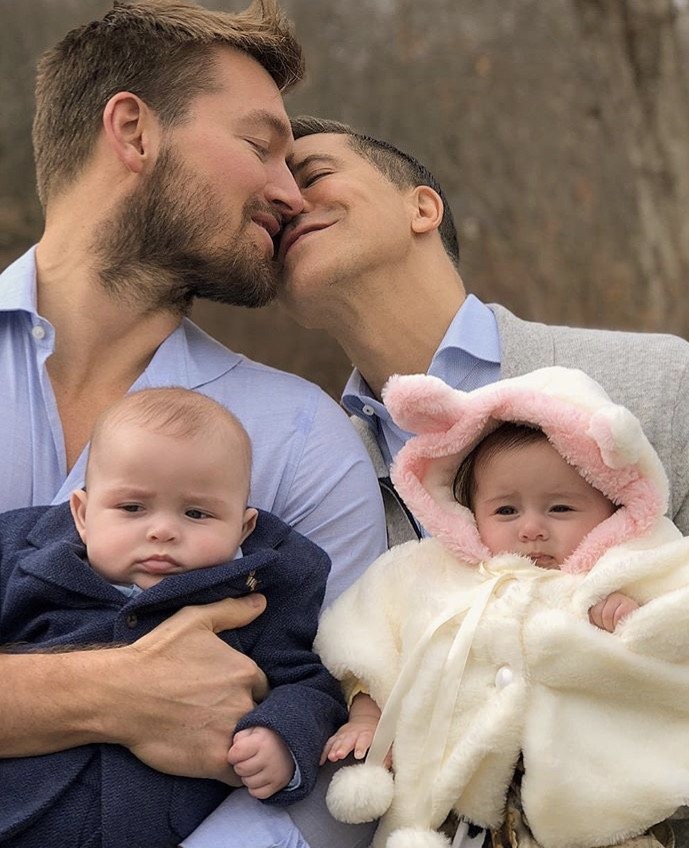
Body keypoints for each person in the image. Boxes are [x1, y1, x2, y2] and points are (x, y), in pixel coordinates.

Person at [270, 117, 689, 848]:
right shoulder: (303, 475)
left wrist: (541, 790)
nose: (284, 198)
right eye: (269, 195)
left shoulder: (663, 385)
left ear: (421, 207)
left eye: (310, 174)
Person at [0, 6, 384, 848]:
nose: (291, 192)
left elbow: (347, 769)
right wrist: (112, 692)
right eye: (261, 146)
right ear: (133, 130)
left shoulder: (301, 439)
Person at [313, 367, 689, 848]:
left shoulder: (625, 570)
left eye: (560, 508)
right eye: (506, 510)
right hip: (456, 822)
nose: (531, 529)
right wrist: (369, 717)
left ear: (611, 507)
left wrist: (639, 615)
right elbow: (372, 643)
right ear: (468, 510)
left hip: (596, 820)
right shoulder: (429, 575)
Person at [0, 387, 347, 845]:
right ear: (82, 515)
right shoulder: (27, 566)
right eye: (132, 508)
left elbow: (308, 684)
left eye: (197, 513)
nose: (162, 530)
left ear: (243, 528)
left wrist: (282, 739)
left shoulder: (260, 596)